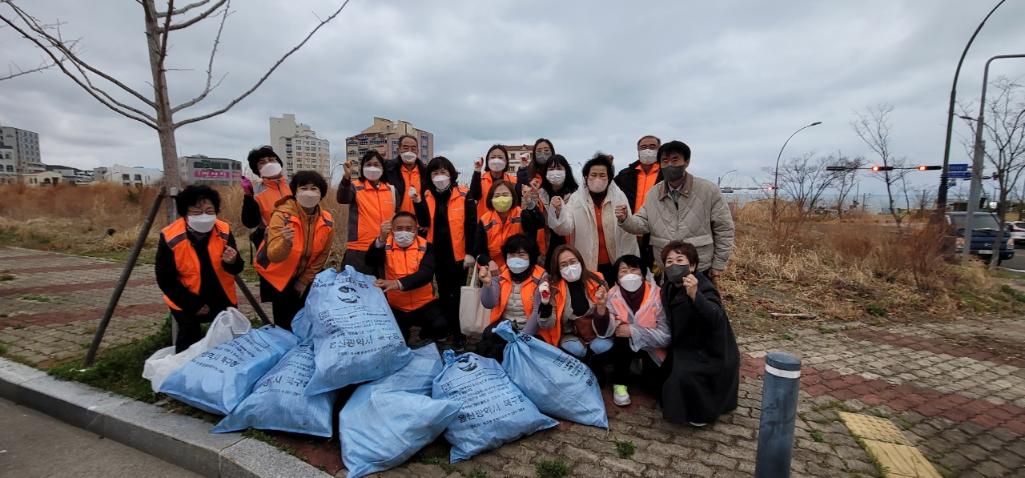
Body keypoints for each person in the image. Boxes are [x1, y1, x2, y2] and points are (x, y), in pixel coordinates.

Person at [617, 140, 735, 281]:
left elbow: (724, 229)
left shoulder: (708, 190)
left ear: (686, 162)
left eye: (675, 159)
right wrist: (626, 219)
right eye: (665, 160)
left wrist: (719, 263)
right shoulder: (654, 193)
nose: (670, 165)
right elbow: (642, 222)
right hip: (666, 265)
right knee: (668, 302)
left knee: (701, 302)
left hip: (699, 265)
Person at [659, 241, 739, 426]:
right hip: (684, 343)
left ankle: (701, 412)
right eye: (669, 261)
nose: (674, 265)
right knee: (658, 379)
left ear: (692, 265)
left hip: (708, 349)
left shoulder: (703, 286)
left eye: (680, 260)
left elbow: (716, 318)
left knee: (683, 377)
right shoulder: (669, 286)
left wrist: (695, 295)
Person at [155, 185, 244, 352]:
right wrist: (193, 304)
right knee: (189, 339)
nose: (204, 216)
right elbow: (165, 279)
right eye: (196, 212)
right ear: (185, 214)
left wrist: (232, 261)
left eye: (209, 211)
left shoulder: (223, 230)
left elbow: (237, 268)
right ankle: (184, 372)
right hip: (186, 298)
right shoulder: (170, 236)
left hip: (221, 295)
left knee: (228, 339)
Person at [255, 171, 334, 331]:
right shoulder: (282, 215)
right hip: (280, 276)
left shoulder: (327, 220)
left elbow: (322, 255)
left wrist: (303, 281)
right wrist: (286, 243)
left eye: (314, 189)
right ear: (295, 192)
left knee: (305, 320)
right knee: (284, 324)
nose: (309, 193)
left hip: (305, 275)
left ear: (321, 193)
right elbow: (273, 255)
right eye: (303, 188)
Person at [413, 156, 477, 349]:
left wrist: (470, 253)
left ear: (451, 174)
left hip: (458, 255)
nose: (439, 176)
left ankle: (459, 333)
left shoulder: (464, 194)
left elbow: (471, 226)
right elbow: (424, 223)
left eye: (443, 172)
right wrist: (417, 202)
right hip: (436, 253)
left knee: (457, 293)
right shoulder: (427, 195)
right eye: (435, 173)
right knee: (443, 291)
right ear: (429, 176)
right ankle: (447, 327)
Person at [547, 153, 639, 284]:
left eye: (602, 175)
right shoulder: (576, 200)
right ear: (586, 177)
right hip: (588, 264)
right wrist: (558, 211)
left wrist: (625, 219)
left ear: (609, 178)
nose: (598, 179)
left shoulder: (619, 197)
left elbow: (629, 230)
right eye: (593, 175)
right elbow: (565, 228)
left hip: (616, 263)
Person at [593, 254, 669, 407]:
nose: (629, 275)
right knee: (621, 334)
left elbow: (665, 336)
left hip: (653, 347)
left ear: (642, 274)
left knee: (655, 389)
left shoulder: (657, 296)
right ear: (617, 277)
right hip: (625, 347)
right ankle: (619, 383)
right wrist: (601, 307)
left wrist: (634, 331)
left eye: (634, 270)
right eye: (624, 271)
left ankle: (643, 370)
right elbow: (604, 332)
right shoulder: (612, 295)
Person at [365, 212, 448, 344]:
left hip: (424, 304)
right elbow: (370, 261)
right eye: (399, 228)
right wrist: (381, 238)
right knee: (395, 338)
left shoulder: (427, 246)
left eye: (409, 229)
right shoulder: (385, 245)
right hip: (396, 306)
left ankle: (424, 335)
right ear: (392, 230)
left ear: (416, 230)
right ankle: (405, 333)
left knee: (440, 325)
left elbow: (425, 274)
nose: (404, 232)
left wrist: (397, 283)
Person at [475, 234, 553, 361]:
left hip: (531, 330)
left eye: (521, 254)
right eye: (511, 255)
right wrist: (487, 283)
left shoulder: (541, 277)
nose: (516, 259)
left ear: (531, 257)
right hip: (506, 326)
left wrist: (521, 338)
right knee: (488, 337)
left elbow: (536, 313)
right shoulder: (500, 273)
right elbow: (489, 303)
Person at [240, 146, 291, 302]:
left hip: (297, 242)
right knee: (280, 297)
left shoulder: (294, 185)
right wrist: (248, 197)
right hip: (272, 246)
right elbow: (250, 222)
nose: (268, 163)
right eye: (262, 162)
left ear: (279, 162)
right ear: (258, 170)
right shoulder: (255, 191)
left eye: (271, 159)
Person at [547, 244, 613, 359]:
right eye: (564, 265)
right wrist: (544, 305)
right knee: (576, 349)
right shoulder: (554, 289)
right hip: (570, 335)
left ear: (580, 261)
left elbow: (611, 312)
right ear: (558, 268)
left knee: (601, 346)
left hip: (598, 330)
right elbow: (548, 323)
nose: (570, 267)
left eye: (573, 262)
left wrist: (601, 305)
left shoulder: (597, 279)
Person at [336, 150, 396, 275]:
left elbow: (398, 214)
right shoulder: (355, 187)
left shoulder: (391, 190)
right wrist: (346, 178)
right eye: (368, 164)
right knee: (359, 290)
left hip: (386, 248)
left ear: (382, 168)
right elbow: (342, 198)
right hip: (359, 249)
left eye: (376, 164)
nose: (372, 168)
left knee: (383, 291)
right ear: (362, 167)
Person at [614, 135, 662, 272]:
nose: (648, 150)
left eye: (653, 147)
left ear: (659, 149)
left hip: (655, 237)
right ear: (638, 149)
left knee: (655, 277)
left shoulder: (666, 175)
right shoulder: (625, 175)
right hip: (628, 234)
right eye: (644, 147)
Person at [473, 180, 545, 271]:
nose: (501, 198)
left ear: (512, 197)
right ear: (491, 199)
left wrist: (529, 202)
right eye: (497, 196)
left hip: (521, 268)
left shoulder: (521, 214)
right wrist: (488, 262)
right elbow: (478, 251)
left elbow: (540, 223)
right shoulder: (485, 220)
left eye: (505, 195)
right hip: (495, 271)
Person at [538, 154, 579, 253]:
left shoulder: (576, 194)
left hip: (571, 244)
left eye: (559, 168)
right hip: (548, 246)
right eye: (551, 169)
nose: (555, 172)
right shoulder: (540, 194)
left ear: (566, 171)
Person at [469, 145, 516, 218]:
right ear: (487, 161)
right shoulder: (480, 179)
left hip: (508, 224)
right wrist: (477, 170)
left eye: (500, 157)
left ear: (506, 161)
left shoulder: (513, 181)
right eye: (493, 157)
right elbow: (474, 196)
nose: (496, 160)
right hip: (484, 224)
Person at [385, 134, 425, 215]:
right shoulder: (388, 170)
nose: (409, 151)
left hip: (420, 224)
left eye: (413, 148)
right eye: (405, 148)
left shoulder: (426, 172)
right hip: (396, 223)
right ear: (398, 150)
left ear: (418, 151)